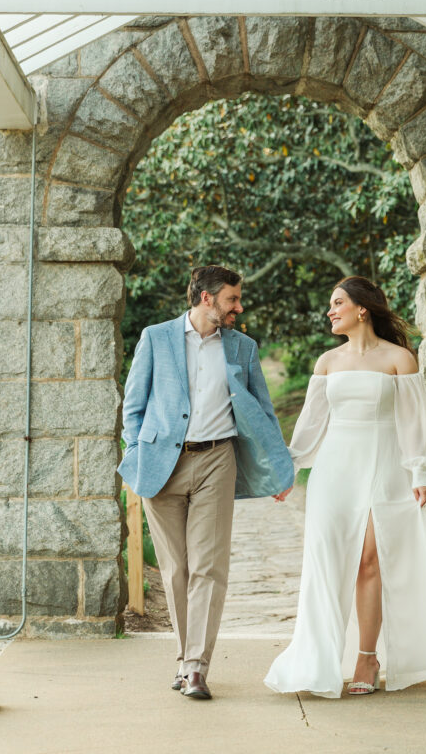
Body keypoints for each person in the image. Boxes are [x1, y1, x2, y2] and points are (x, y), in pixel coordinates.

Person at [265, 276, 426, 698]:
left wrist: (419, 472)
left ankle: (366, 657)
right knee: (326, 563)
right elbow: (310, 427)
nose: (330, 311)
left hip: (384, 468)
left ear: (362, 309)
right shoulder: (327, 362)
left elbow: (413, 422)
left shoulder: (399, 359)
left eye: (337, 302)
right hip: (334, 472)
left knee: (369, 562)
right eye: (330, 304)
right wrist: (290, 470)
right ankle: (316, 659)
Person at [118, 264, 294, 700]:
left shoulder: (242, 347)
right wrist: (137, 452)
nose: (239, 307)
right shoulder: (156, 338)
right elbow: (133, 406)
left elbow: (263, 411)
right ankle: (184, 660)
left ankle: (196, 668)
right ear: (206, 298)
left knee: (208, 568)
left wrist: (278, 466)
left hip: (218, 459)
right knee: (176, 569)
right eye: (232, 299)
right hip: (163, 463)